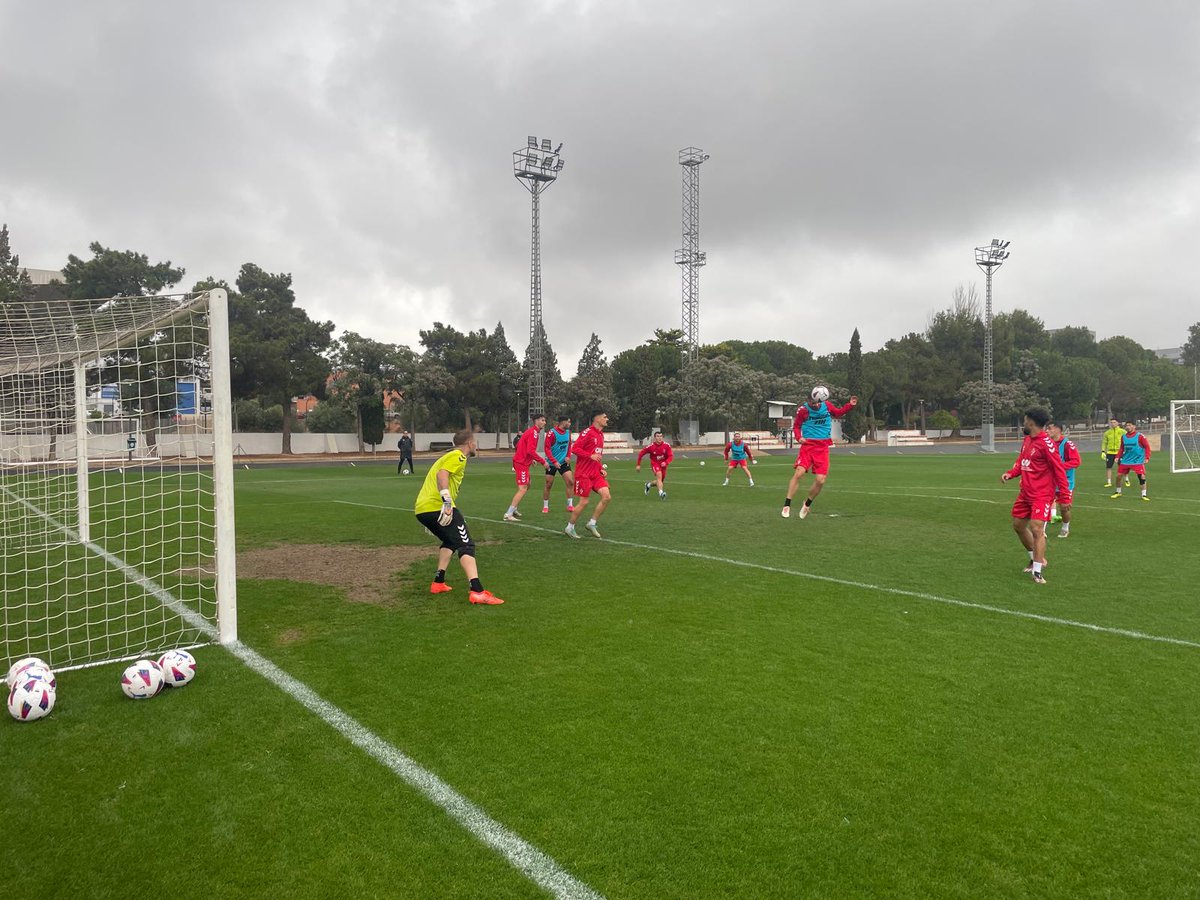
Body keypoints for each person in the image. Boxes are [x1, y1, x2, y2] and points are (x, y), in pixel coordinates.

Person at [413, 429, 503, 604]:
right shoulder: (458, 456)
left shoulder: (447, 457)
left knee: (451, 541)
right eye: (474, 441)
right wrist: (446, 502)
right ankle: (477, 591)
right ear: (470, 443)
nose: (476, 445)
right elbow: (442, 475)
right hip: (438, 506)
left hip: (423, 509)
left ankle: (438, 582)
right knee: (466, 544)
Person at [1001, 407, 1070, 585]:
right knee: (1018, 526)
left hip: (1042, 494)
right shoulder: (1027, 440)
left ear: (1031, 421)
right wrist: (1011, 473)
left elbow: (1059, 470)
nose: (1023, 423)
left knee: (1037, 529)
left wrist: (1065, 496)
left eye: (1025, 420)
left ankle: (1038, 572)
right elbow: (1022, 461)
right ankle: (1035, 559)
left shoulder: (1046, 444)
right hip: (1025, 492)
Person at [782, 387, 858, 519]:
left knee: (820, 480)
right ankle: (787, 504)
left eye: (818, 402)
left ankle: (807, 504)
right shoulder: (803, 410)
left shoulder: (827, 405)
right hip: (808, 446)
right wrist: (799, 437)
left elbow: (838, 413)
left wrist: (849, 405)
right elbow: (797, 426)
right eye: (813, 402)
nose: (816, 404)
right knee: (799, 473)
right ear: (810, 400)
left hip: (822, 447)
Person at [565, 410, 610, 539]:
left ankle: (592, 523)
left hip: (595, 473)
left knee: (606, 497)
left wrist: (601, 468)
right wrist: (590, 456)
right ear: (597, 419)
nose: (607, 419)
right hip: (583, 473)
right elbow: (575, 448)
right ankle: (569, 527)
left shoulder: (600, 435)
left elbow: (597, 455)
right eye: (605, 417)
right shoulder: (587, 432)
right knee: (584, 502)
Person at [505, 413, 547, 521]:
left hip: (522, 461)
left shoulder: (533, 432)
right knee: (522, 488)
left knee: (528, 485)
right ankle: (508, 514)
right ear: (536, 421)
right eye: (542, 420)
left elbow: (521, 446)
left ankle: (514, 509)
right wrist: (543, 462)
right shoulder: (533, 433)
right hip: (521, 463)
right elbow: (530, 450)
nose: (544, 422)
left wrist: (530, 458)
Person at [1046, 421, 1081, 537]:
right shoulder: (1045, 443)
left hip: (1065, 482)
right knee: (1043, 505)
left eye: (1050, 428)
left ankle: (1065, 527)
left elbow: (1076, 461)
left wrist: (1059, 467)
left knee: (1064, 508)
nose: (1047, 431)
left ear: (1057, 429)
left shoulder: (1067, 444)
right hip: (1048, 481)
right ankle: (1041, 531)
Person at [541, 415, 575, 514]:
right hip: (552, 463)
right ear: (562, 422)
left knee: (570, 482)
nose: (569, 424)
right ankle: (546, 506)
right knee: (548, 484)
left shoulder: (568, 433)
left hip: (563, 462)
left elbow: (569, 445)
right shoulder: (552, 433)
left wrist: (568, 456)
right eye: (568, 422)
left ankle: (570, 505)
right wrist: (554, 461)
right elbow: (546, 448)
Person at [1110, 420, 1152, 501]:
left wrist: (1147, 457)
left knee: (1141, 477)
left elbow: (1147, 447)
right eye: (1126, 425)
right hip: (1125, 460)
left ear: (1134, 426)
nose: (1128, 427)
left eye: (1129, 425)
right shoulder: (1124, 437)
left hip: (1137, 461)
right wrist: (1118, 456)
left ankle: (1144, 495)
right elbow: (1122, 448)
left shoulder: (1140, 436)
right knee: (1118, 476)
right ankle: (1118, 492)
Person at [637, 431, 674, 498]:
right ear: (655, 438)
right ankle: (661, 493)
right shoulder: (651, 447)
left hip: (664, 465)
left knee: (659, 481)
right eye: (658, 436)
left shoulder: (667, 446)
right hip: (655, 464)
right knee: (659, 476)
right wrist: (638, 464)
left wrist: (665, 462)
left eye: (661, 436)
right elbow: (641, 454)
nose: (659, 438)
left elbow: (670, 456)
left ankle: (648, 485)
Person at [1101, 416, 1125, 487]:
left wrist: (1125, 450)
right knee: (1108, 467)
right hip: (1110, 452)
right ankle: (1109, 482)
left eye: (1114, 422)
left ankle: (1123, 480)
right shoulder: (1107, 433)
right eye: (1111, 422)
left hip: (1119, 452)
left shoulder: (1122, 432)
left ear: (1118, 423)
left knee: (1121, 467)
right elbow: (1104, 442)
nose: (1112, 424)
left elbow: (1126, 441)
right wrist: (1103, 451)